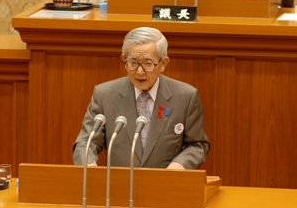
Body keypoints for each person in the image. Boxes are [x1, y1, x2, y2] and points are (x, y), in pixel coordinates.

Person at [72, 27, 210, 169]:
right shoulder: (105, 95)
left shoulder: (185, 97)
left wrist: (180, 164)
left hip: (165, 185)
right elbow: (86, 142)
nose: (139, 71)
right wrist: (88, 164)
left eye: (148, 64)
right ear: (123, 60)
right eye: (133, 63)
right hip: (117, 186)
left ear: (163, 63)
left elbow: (197, 145)